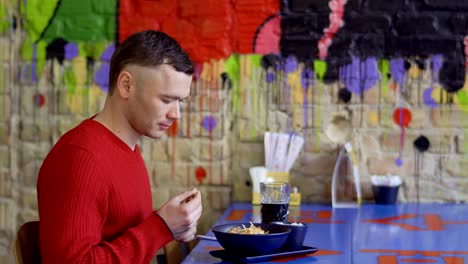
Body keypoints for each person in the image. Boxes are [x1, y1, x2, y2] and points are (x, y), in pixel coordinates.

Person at [36, 30, 203, 263]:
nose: (176, 114)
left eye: (180, 101)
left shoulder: (128, 148)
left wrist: (170, 226)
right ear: (126, 85)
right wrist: (160, 227)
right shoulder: (79, 159)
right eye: (166, 100)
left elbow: (120, 235)